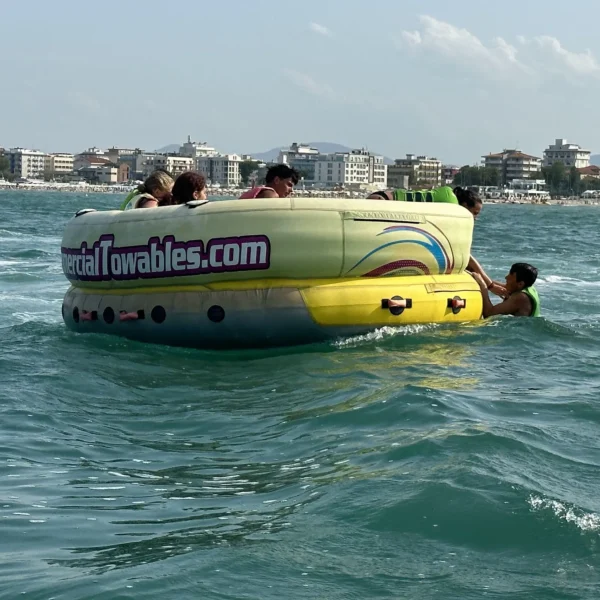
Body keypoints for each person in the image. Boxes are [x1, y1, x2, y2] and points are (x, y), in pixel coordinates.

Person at [472, 262, 540, 318]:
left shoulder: (521, 297)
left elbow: (488, 313)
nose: (506, 277)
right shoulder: (528, 287)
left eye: (511, 275)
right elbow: (497, 286)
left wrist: (483, 287)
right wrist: (485, 282)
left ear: (520, 284)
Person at [367, 185, 458, 203]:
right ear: (465, 204)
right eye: (473, 213)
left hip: (384, 196)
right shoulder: (454, 205)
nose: (473, 217)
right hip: (385, 201)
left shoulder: (447, 189)